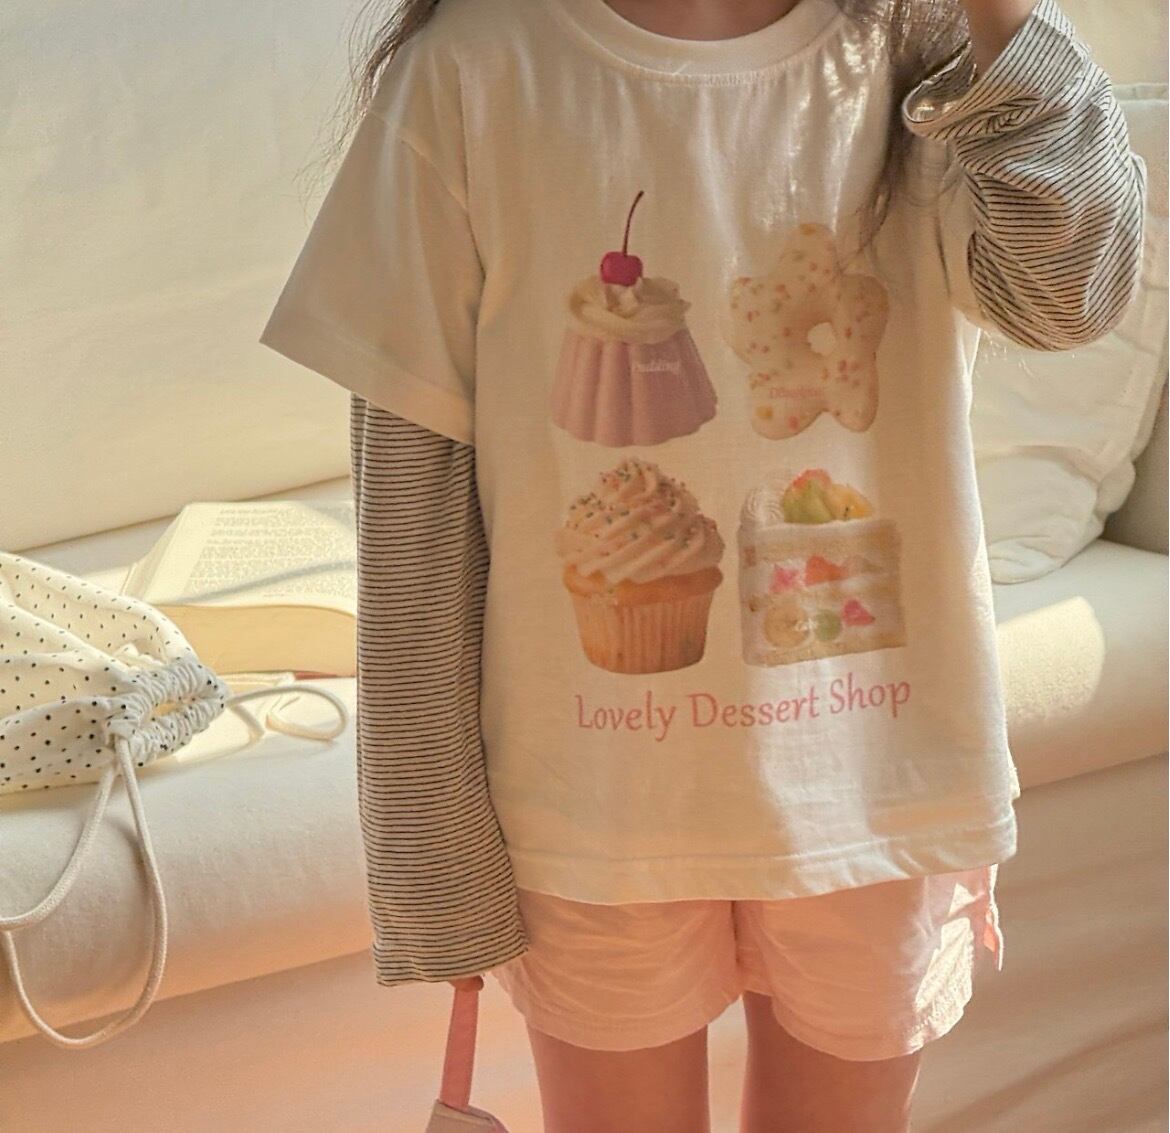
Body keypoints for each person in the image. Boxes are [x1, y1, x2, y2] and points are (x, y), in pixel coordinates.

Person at [260, 0, 1146, 1128]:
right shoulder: (473, 72)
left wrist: (1004, 19)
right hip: (589, 811)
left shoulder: (922, 53)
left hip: (876, 782)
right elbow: (412, 513)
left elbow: (1074, 297)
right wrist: (437, 860)